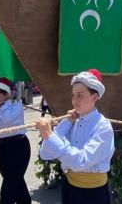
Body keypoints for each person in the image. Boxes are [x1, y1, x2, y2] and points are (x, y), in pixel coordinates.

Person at [38, 70, 115, 202]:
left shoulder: (103, 127)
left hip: (92, 193)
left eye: (80, 95)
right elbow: (45, 154)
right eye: (73, 95)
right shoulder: (72, 121)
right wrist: (65, 124)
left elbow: (81, 161)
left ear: (94, 97)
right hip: (69, 187)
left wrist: (49, 135)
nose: (74, 101)